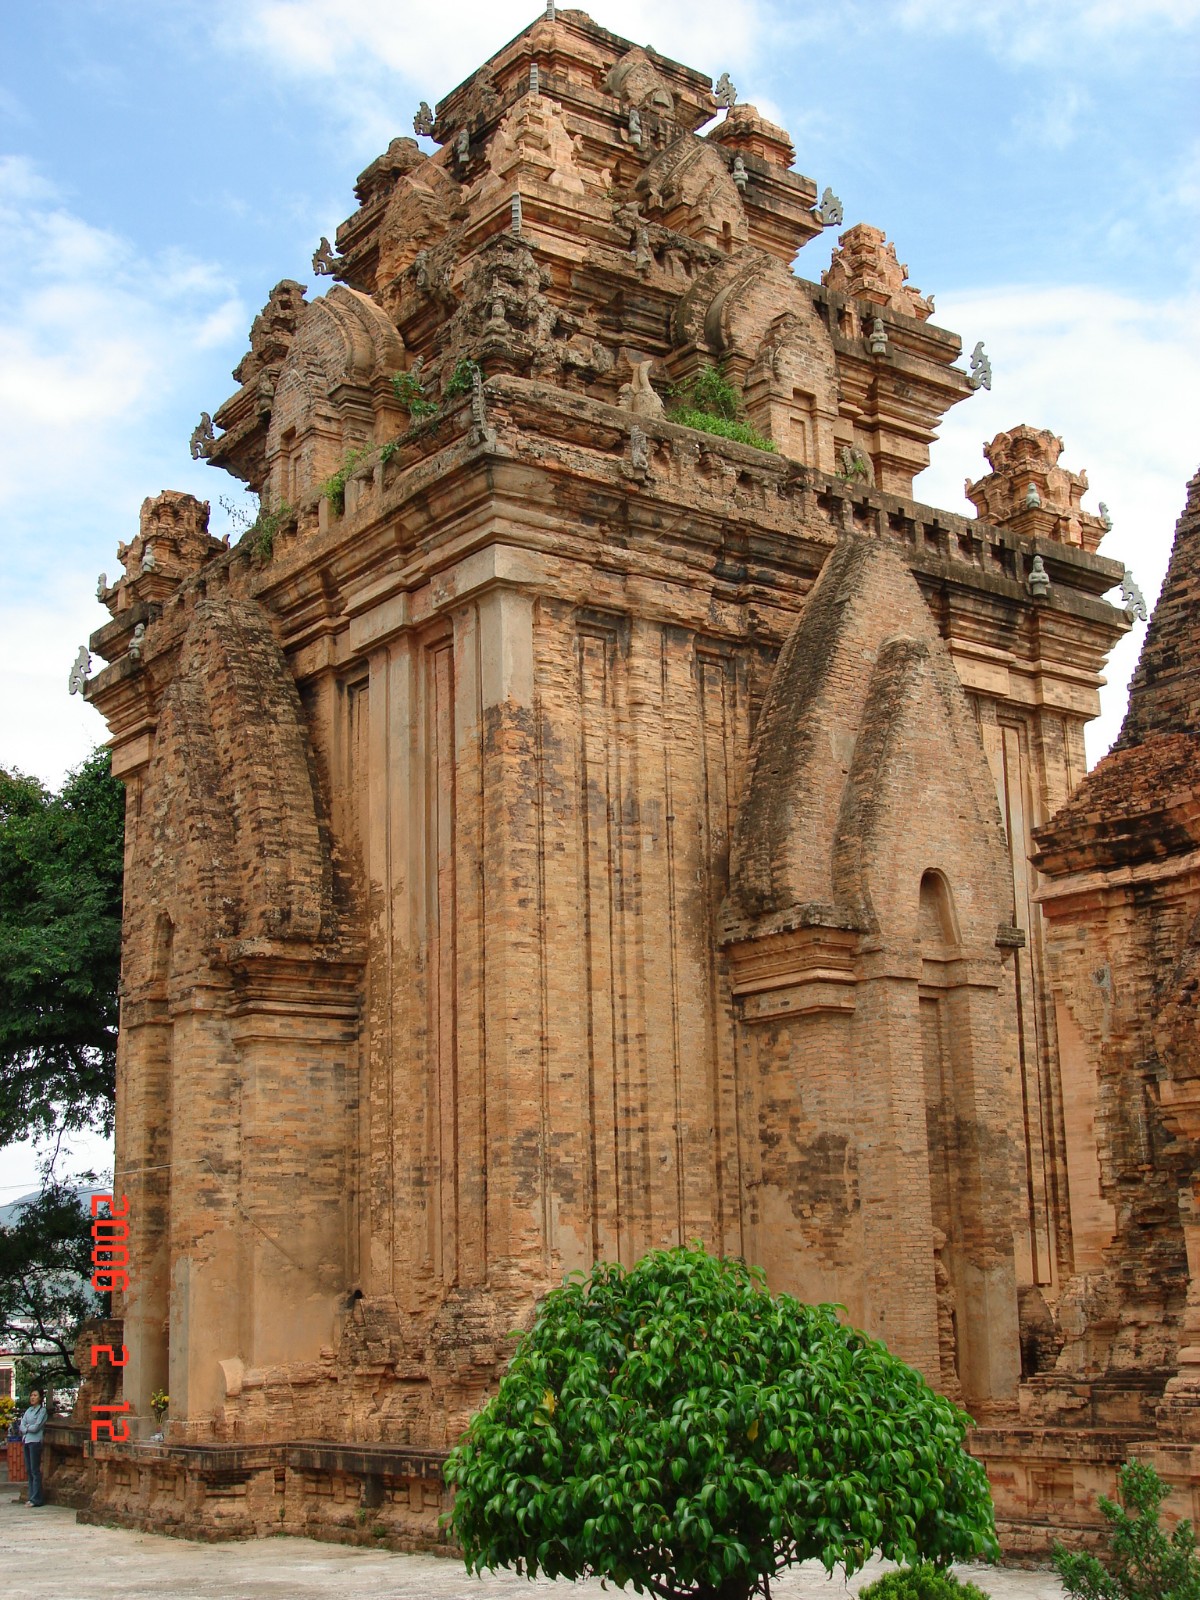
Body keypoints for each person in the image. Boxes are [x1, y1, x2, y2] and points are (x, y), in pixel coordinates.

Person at [18, 1388, 48, 1507]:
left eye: (35, 1395)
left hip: (35, 1441)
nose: (32, 1397)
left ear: (40, 1398)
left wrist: (27, 1428)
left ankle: (37, 1499)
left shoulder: (42, 1411)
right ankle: (31, 1496)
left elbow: (37, 1427)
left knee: (35, 1470)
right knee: (29, 1470)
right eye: (31, 1395)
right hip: (26, 1440)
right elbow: (22, 1425)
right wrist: (27, 1428)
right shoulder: (29, 1410)